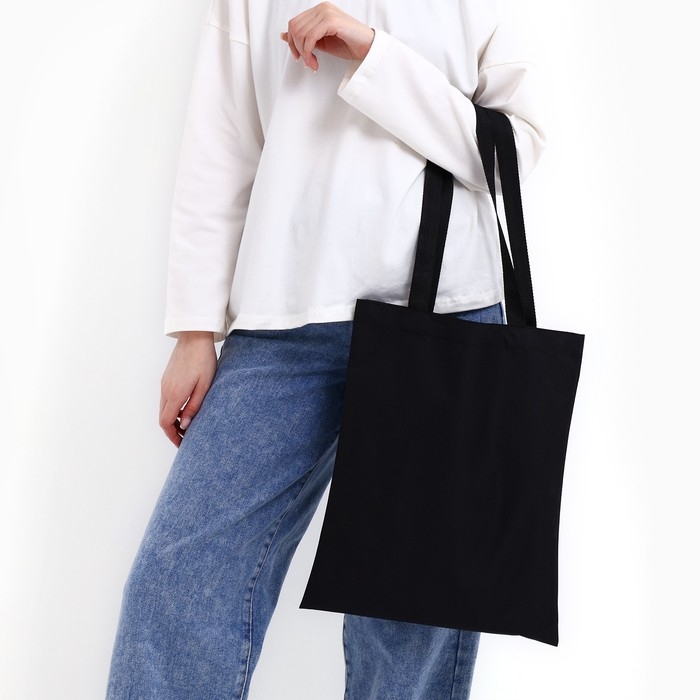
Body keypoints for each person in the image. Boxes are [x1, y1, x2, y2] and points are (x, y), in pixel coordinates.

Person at [106, 1, 545, 698]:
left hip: (446, 314)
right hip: (280, 323)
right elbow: (220, 148)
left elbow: (511, 153)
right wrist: (194, 330)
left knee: (406, 622)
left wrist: (376, 57)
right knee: (179, 580)